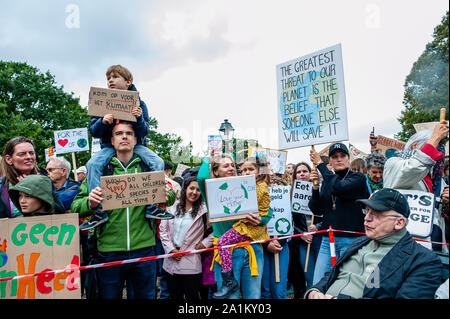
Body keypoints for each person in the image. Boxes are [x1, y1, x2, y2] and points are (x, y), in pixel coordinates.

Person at [71, 121, 176, 299]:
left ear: (136, 140)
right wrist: (90, 202)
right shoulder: (100, 170)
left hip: (144, 249)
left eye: (129, 133)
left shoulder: (148, 167)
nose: (124, 136)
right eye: (119, 133)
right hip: (108, 251)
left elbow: (171, 196)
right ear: (111, 140)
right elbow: (76, 206)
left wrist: (166, 195)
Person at [306, 188, 442, 299]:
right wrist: (314, 291)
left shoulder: (423, 261)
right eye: (367, 211)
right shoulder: (359, 243)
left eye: (376, 214)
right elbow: (332, 274)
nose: (366, 219)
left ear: (399, 222)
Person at [85, 65, 168, 229]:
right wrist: (103, 122)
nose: (110, 80)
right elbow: (94, 131)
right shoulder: (101, 104)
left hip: (136, 146)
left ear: (128, 82)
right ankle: (100, 211)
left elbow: (145, 131)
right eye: (108, 78)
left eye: (115, 77)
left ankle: (152, 207)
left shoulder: (140, 104)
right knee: (92, 165)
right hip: (109, 146)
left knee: (158, 162)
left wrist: (138, 119)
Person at [197, 153, 272, 299]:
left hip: (251, 248)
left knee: (254, 296)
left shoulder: (248, 187)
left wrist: (260, 219)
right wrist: (208, 157)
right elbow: (201, 178)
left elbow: (268, 212)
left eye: (232, 165)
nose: (231, 168)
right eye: (225, 166)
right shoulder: (210, 191)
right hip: (226, 252)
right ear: (216, 171)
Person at [309, 143, 369, 285]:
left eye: (342, 156)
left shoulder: (358, 178)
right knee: (318, 283)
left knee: (347, 284)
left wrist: (320, 164)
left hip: (351, 241)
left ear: (348, 158)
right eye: (334, 157)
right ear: (330, 161)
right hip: (327, 241)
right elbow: (317, 209)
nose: (339, 159)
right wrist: (316, 187)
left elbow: (340, 187)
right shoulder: (328, 181)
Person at [383, 121, 449, 248]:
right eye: (433, 146)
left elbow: (440, 215)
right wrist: (435, 138)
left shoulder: (437, 179)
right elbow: (411, 170)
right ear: (414, 146)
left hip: (433, 242)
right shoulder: (394, 164)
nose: (437, 153)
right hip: (404, 244)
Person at [159, 176, 214, 299]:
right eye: (191, 188)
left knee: (192, 295)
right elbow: (163, 230)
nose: (194, 192)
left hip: (191, 262)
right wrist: (172, 250)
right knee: (174, 295)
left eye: (198, 190)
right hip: (171, 261)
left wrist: (205, 243)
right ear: (185, 189)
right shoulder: (172, 206)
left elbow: (218, 229)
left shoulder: (204, 211)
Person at [1, 137, 64, 218]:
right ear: (9, 159)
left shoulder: (43, 179)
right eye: (22, 154)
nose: (28, 157)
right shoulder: (2, 186)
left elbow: (60, 212)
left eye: (31, 153)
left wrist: (35, 190)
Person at [289, 162, 323, 295]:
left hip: (320, 239)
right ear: (295, 176)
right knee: (309, 278)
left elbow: (328, 215)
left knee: (320, 278)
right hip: (303, 242)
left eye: (305, 171)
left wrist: (318, 226)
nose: (302, 174)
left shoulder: (319, 192)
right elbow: (288, 221)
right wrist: (301, 234)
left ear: (310, 174)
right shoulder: (290, 195)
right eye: (298, 172)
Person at [261, 174, 290, 299]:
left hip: (281, 247)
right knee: (264, 288)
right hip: (263, 246)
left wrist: (279, 242)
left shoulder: (288, 207)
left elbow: (291, 227)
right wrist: (267, 244)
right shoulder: (261, 204)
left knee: (279, 288)